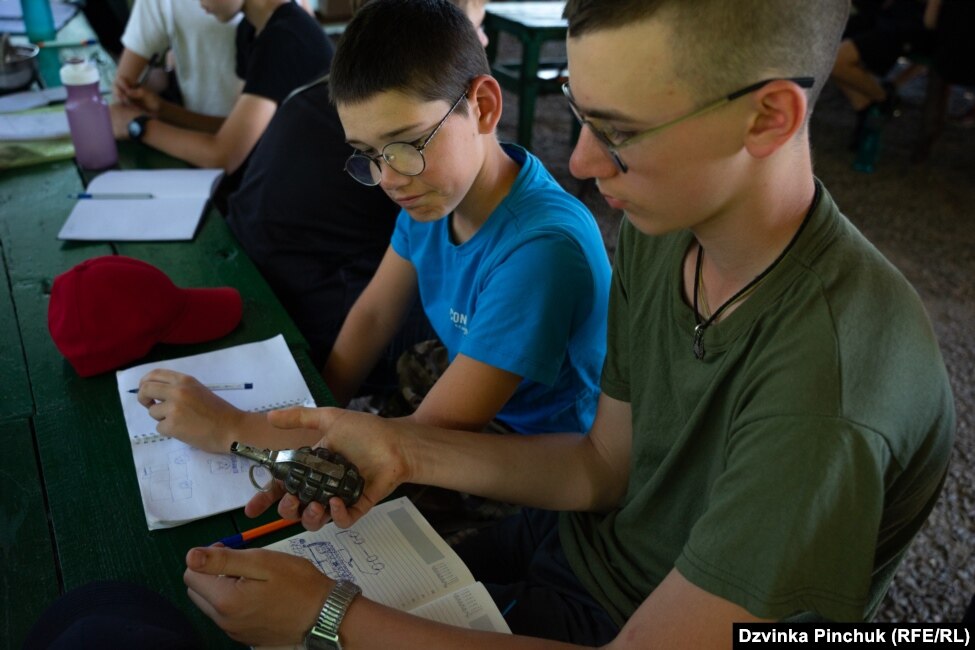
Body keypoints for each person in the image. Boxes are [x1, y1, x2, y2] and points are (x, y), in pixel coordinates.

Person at [177, 0, 955, 648]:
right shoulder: (664, 237)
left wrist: (330, 616)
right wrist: (401, 449)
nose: (579, 161)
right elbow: (599, 469)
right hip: (581, 541)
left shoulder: (830, 385)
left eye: (618, 131)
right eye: (578, 115)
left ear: (767, 118)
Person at [136, 0, 609, 458]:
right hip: (471, 399)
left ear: (482, 106)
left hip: (531, 450)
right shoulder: (433, 194)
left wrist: (237, 430)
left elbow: (424, 439)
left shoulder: (540, 251)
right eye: (368, 153)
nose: (388, 179)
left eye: (404, 144)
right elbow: (373, 317)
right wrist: (321, 407)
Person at [223, 0, 488, 374]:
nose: (388, 179)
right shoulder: (413, 172)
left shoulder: (417, 175)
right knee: (459, 317)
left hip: (259, 269)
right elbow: (376, 313)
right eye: (476, 28)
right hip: (296, 301)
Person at [109, 0, 331, 175]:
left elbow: (223, 157)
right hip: (277, 172)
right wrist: (161, 110)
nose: (198, 2)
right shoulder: (251, 29)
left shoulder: (284, 38)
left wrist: (138, 127)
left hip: (312, 189)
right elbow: (232, 132)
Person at [113, 0, 243, 120]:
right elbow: (122, 93)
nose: (200, 4)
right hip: (197, 130)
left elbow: (232, 140)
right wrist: (160, 108)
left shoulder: (258, 26)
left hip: (231, 137)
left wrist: (141, 128)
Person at [830, 0, 936, 146]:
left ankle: (883, 99)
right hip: (889, 14)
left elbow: (931, 22)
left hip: (912, 24)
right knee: (828, 49)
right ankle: (866, 108)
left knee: (836, 60)